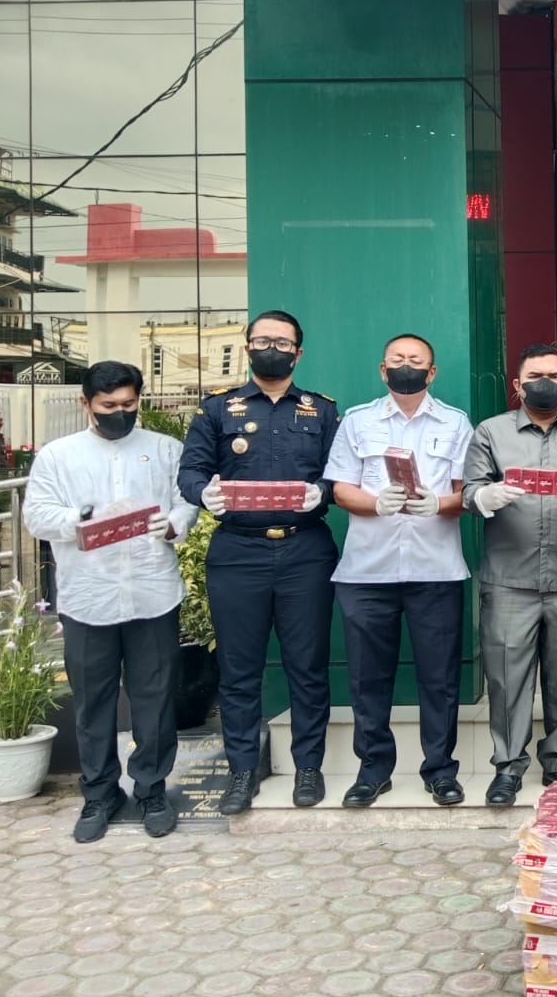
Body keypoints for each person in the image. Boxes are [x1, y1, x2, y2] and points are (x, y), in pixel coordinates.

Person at [22, 361, 197, 842]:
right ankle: (100, 793)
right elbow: (36, 515)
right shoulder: (58, 456)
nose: (119, 413)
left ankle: (152, 789)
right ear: (86, 403)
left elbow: (187, 501)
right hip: (89, 597)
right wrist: (83, 519)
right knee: (93, 702)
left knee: (155, 699)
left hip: (152, 593)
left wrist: (174, 524)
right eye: (108, 406)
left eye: (128, 404)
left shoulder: (165, 449)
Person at [178, 310, 340, 815]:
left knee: (307, 666)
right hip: (237, 552)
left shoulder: (322, 411)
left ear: (299, 353)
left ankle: (308, 768)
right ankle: (242, 771)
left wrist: (323, 492)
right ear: (247, 347)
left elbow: (343, 473)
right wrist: (204, 494)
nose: (273, 348)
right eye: (263, 340)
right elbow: (190, 471)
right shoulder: (216, 409)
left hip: (304, 549)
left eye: (283, 342)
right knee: (238, 670)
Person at [324, 333, 471, 808]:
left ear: (432, 372)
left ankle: (440, 771)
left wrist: (439, 503)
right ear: (383, 370)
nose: (407, 366)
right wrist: (375, 503)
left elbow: (465, 492)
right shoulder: (358, 421)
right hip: (367, 571)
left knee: (439, 678)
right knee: (368, 679)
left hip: (436, 569)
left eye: (416, 360)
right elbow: (340, 488)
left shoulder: (455, 422)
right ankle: (372, 771)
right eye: (397, 359)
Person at [463, 343, 557, 806]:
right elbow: (469, 491)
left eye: (555, 376)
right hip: (509, 578)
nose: (546, 383)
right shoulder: (491, 431)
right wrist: (486, 497)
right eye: (536, 376)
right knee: (507, 678)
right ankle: (508, 767)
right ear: (518, 385)